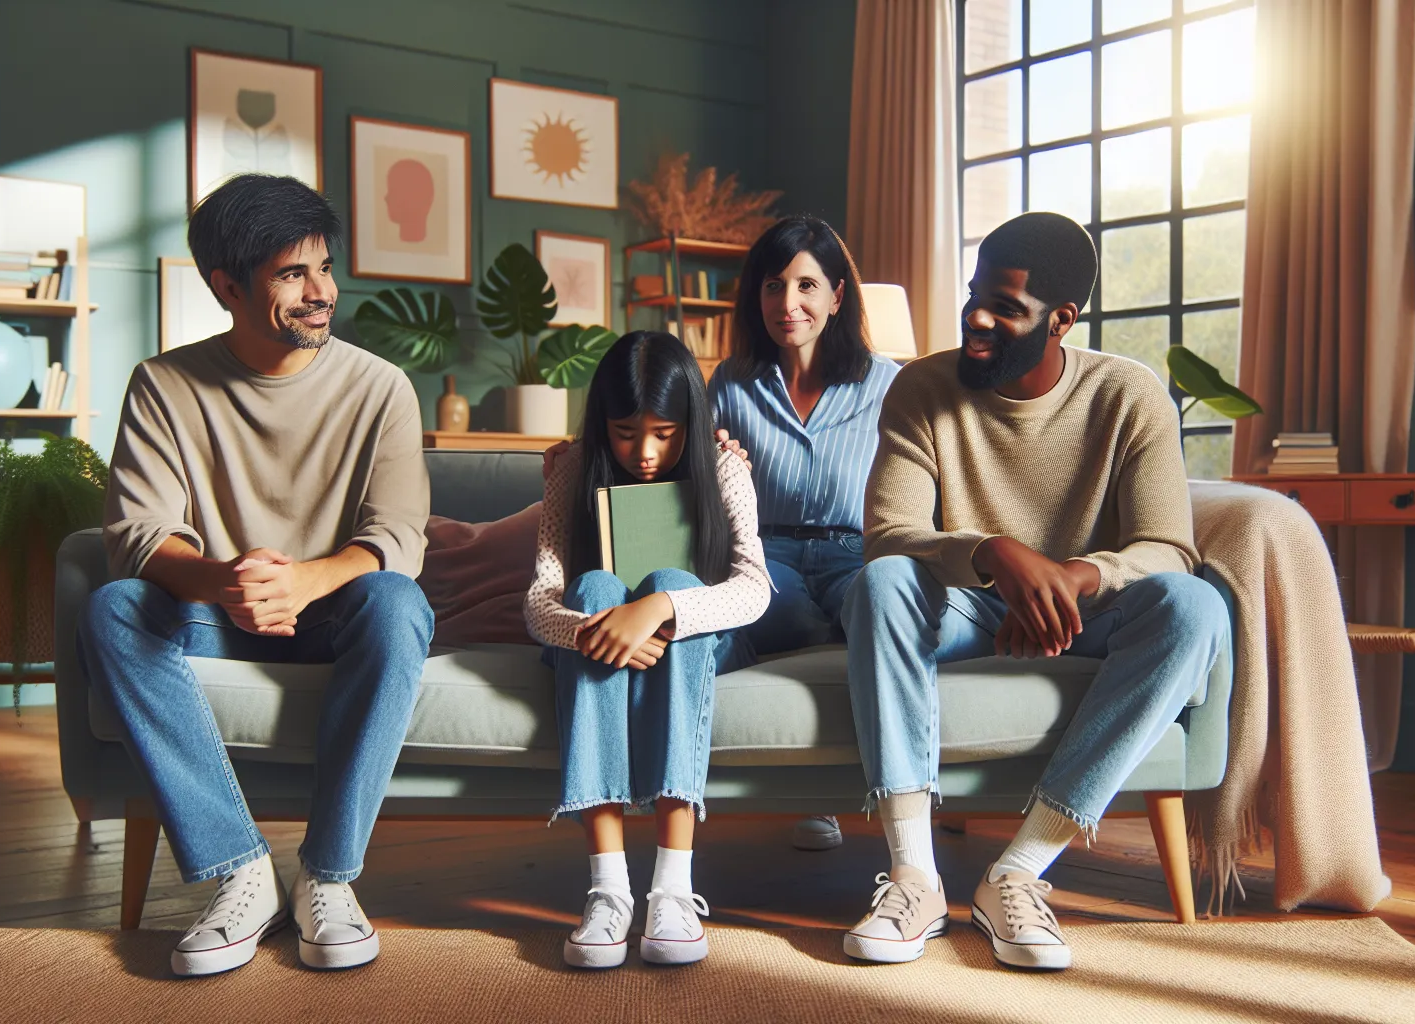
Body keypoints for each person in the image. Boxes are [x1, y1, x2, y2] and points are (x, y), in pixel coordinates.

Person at [839, 212, 1228, 970]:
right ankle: (915, 877)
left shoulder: (1128, 395)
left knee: (1197, 608)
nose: (978, 317)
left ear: (1062, 320)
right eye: (976, 294)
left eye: (1005, 307)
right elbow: (890, 534)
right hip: (968, 603)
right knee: (880, 585)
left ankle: (1016, 873)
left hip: (1085, 611)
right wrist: (995, 553)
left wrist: (1079, 577)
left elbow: (1169, 548)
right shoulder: (921, 388)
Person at [80, 174, 433, 977]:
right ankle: (241, 873)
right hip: (214, 620)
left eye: (325, 268)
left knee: (397, 600)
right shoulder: (164, 385)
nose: (322, 293)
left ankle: (329, 878)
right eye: (292, 274)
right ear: (227, 287)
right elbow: (138, 534)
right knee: (113, 609)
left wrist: (307, 580)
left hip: (336, 616)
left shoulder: (381, 388)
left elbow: (397, 536)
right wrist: (222, 580)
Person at [525, 331, 770, 969]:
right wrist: (591, 628)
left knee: (673, 582)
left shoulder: (723, 467)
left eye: (665, 432)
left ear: (691, 418)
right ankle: (608, 889)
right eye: (626, 433)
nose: (646, 453)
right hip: (595, 638)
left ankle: (673, 888)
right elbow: (540, 599)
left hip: (682, 637)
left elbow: (754, 589)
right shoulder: (574, 467)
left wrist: (662, 610)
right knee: (593, 586)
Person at [708, 215, 901, 853]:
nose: (787, 304)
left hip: (857, 549)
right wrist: (718, 459)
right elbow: (694, 479)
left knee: (877, 610)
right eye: (771, 286)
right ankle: (817, 787)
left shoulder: (889, 384)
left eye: (805, 286)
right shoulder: (732, 381)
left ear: (837, 295)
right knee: (785, 620)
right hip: (767, 551)